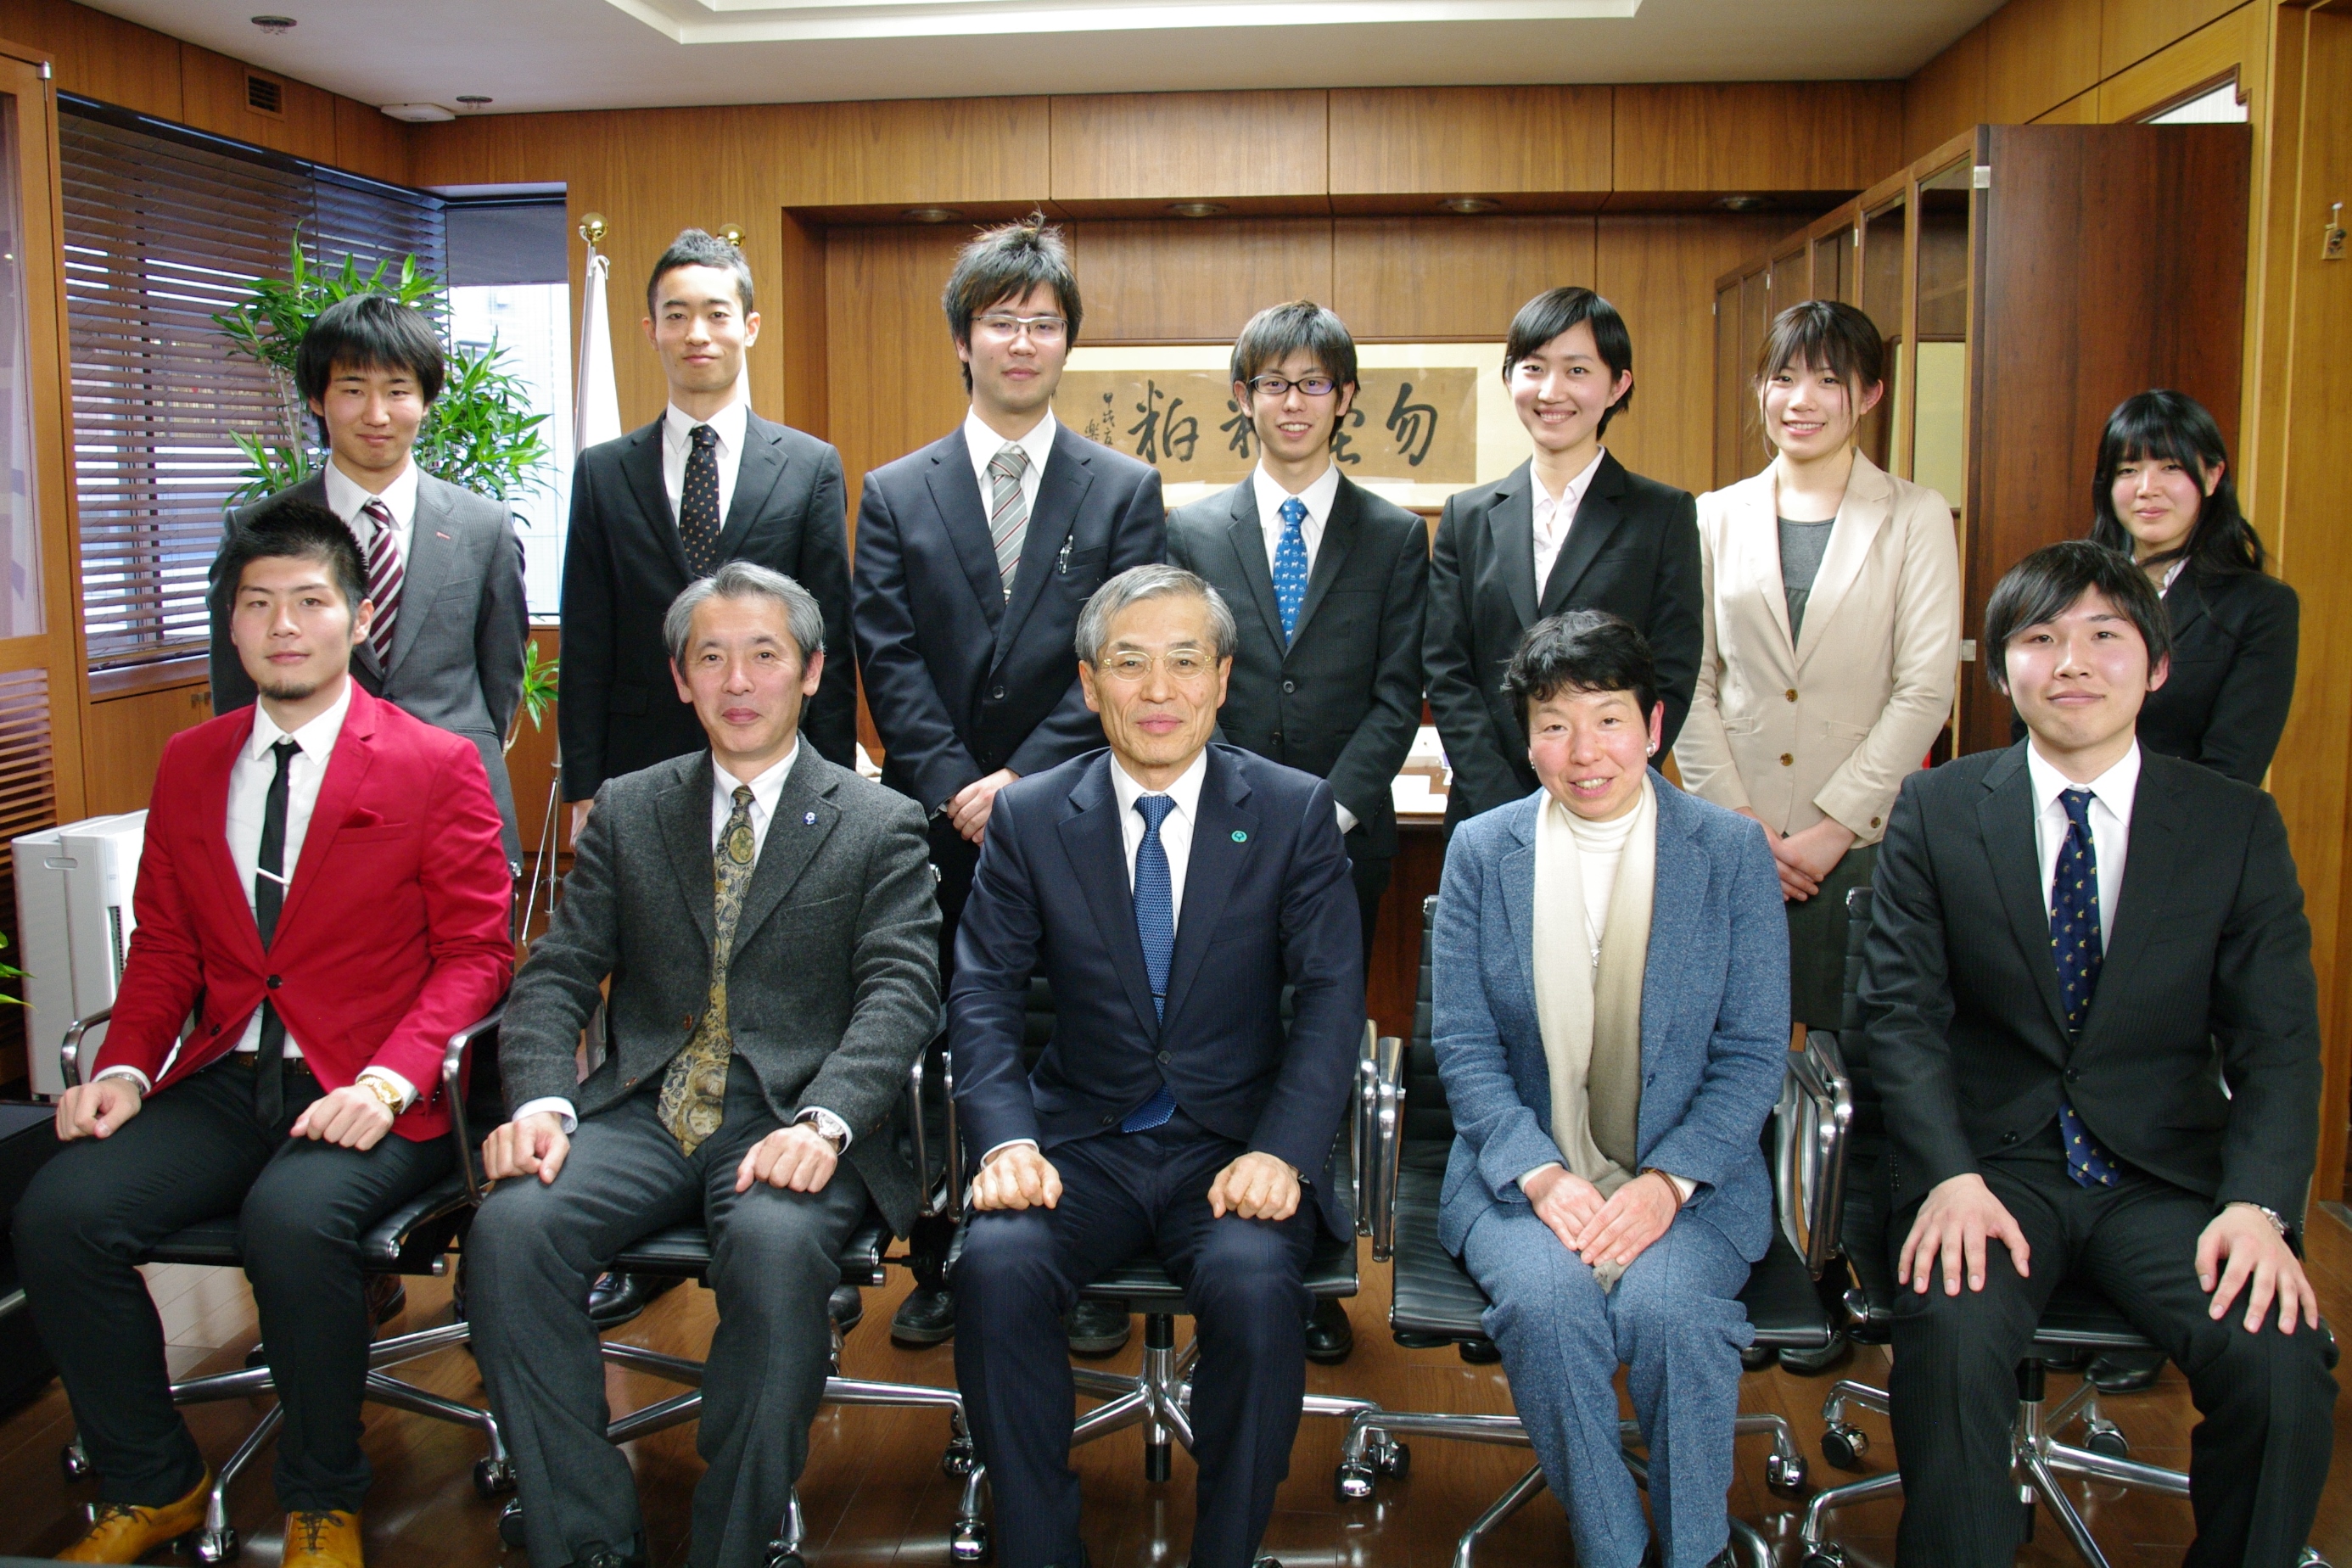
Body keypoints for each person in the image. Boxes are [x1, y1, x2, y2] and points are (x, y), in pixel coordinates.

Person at [18, 504, 513, 1568]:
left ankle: (322, 1498)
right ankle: (153, 1481)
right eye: (257, 604)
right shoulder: (191, 762)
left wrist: (387, 1082)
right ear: (233, 626)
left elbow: (477, 956)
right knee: (60, 1215)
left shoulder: (433, 762)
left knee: (291, 1223)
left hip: (375, 1088)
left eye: (309, 601)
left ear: (358, 618)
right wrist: (124, 1068)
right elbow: (164, 947)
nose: (284, 625)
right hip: (227, 1074)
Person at [1862, 540, 2335, 1566]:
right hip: (1988, 1170)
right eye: (2040, 638)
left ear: (2156, 666)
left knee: (2280, 1362)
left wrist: (2259, 1207)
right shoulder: (1939, 809)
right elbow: (1897, 1016)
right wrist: (1946, 1174)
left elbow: (2278, 1042)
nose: (2071, 661)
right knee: (1950, 1342)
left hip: (2164, 1180)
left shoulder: (2234, 824)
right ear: (2001, 671)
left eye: (2104, 636)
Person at [467, 562, 940, 1568]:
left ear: (811, 671)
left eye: (764, 655)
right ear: (681, 680)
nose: (738, 681)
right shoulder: (631, 808)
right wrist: (543, 1102)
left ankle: (734, 1543)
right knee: (511, 1231)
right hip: (644, 1108)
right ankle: (587, 1538)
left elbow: (901, 994)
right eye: (711, 658)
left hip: (791, 1118)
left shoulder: (878, 821)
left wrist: (827, 1122)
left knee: (772, 1248)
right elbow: (556, 975)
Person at [949, 564, 1362, 1568]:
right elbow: (984, 991)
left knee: (1256, 1290)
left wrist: (1284, 1152)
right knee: (994, 1268)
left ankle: (1226, 1550)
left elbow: (1330, 1001)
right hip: (1080, 1140)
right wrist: (1004, 1141)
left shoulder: (1293, 809)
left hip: (1236, 1144)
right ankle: (1038, 1548)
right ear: (1090, 686)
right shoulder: (1034, 815)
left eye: (1185, 661)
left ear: (1223, 678)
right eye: (1130, 664)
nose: (1159, 689)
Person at [853, 214, 1164, 1351]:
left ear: (1067, 343)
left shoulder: (1123, 488)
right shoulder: (897, 490)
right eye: (1000, 322)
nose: (1022, 343)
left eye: (1042, 324)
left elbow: (1125, 650)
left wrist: (1021, 780)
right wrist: (957, 785)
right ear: (963, 340)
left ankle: (1084, 1254)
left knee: (1081, 1025)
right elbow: (885, 654)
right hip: (935, 825)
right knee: (938, 1026)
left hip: (1076, 809)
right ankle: (942, 1249)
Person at [1431, 610, 1787, 1568]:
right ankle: (1613, 1547)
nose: (1584, 752)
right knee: (1548, 1308)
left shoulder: (1730, 852)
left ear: (1655, 725)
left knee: (1672, 1314)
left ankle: (1697, 1550)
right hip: (1522, 1174)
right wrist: (1541, 1175)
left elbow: (1754, 1052)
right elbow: (1463, 1044)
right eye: (1554, 724)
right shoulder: (1483, 850)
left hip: (1692, 1181)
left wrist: (1669, 1183)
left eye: (1609, 719)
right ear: (1527, 738)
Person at [1166, 302, 1424, 1365]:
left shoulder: (1396, 535)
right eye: (1273, 383)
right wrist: (1246, 807)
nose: (1293, 402)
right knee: (1227, 1033)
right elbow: (1185, 678)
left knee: (1321, 1039)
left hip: (1343, 843)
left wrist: (1321, 815)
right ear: (1243, 398)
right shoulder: (1191, 531)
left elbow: (1398, 696)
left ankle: (1313, 1256)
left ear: (1345, 399)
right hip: (1215, 838)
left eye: (1314, 383)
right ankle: (1213, 1236)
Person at [2074, 388, 2303, 1397]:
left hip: (2185, 871)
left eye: (2171, 466)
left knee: (2159, 1080)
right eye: (2129, 468)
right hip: (2065, 857)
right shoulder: (2076, 586)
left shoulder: (2256, 607)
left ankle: (2149, 1292)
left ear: (2212, 476)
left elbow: (2234, 762)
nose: (2148, 487)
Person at [1673, 299, 1959, 1033]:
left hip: (1860, 838)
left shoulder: (1915, 515)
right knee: (1721, 1042)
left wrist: (1834, 831)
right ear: (1761, 390)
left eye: (1829, 380)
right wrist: (1740, 825)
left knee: (1850, 1046)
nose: (1801, 400)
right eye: (1783, 378)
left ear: (1870, 394)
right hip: (1732, 835)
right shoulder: (1714, 515)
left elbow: (1925, 689)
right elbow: (1690, 682)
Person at [209, 293, 529, 865]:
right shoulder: (258, 530)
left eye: (398, 391)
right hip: (310, 803)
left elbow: (502, 676)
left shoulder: (483, 526)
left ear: (425, 401)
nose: (377, 415)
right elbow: (236, 688)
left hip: (457, 800)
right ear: (317, 398)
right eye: (353, 390)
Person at [562, 227, 857, 822]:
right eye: (677, 316)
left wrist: (835, 785)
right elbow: (586, 643)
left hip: (775, 758)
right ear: (651, 331)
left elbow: (830, 639)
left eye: (717, 315)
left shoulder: (809, 467)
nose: (697, 333)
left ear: (749, 327)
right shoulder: (602, 472)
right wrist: (584, 787)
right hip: (637, 761)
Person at [1425, 286, 1701, 829]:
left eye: (1577, 370)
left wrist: (1605, 780)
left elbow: (1671, 668)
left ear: (1618, 384)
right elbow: (1447, 668)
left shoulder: (1661, 514)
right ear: (1510, 378)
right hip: (1487, 806)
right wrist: (1502, 800)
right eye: (1534, 368)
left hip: (1612, 799)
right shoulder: (1467, 516)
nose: (1552, 391)